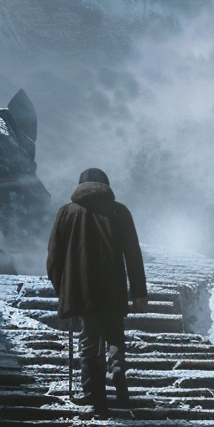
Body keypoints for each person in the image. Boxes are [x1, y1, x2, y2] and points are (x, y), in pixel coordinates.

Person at [46, 167, 148, 413]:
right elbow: (133, 254)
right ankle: (118, 375)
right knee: (114, 336)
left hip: (81, 288)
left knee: (89, 339)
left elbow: (54, 257)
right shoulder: (120, 211)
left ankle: (95, 397)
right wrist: (139, 292)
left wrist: (62, 289)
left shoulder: (66, 212)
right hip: (112, 287)